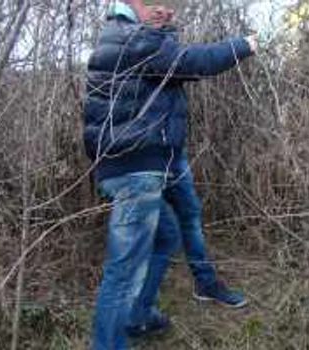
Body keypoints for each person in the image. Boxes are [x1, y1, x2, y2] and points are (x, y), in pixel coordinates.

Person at [82, 0, 257, 348]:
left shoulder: (137, 37)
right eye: (153, 2)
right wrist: (243, 45)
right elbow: (191, 62)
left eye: (170, 4)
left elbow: (175, 64)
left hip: (148, 163)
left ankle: (139, 316)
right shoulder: (133, 39)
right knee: (123, 272)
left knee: (166, 236)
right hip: (137, 169)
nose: (164, 9)